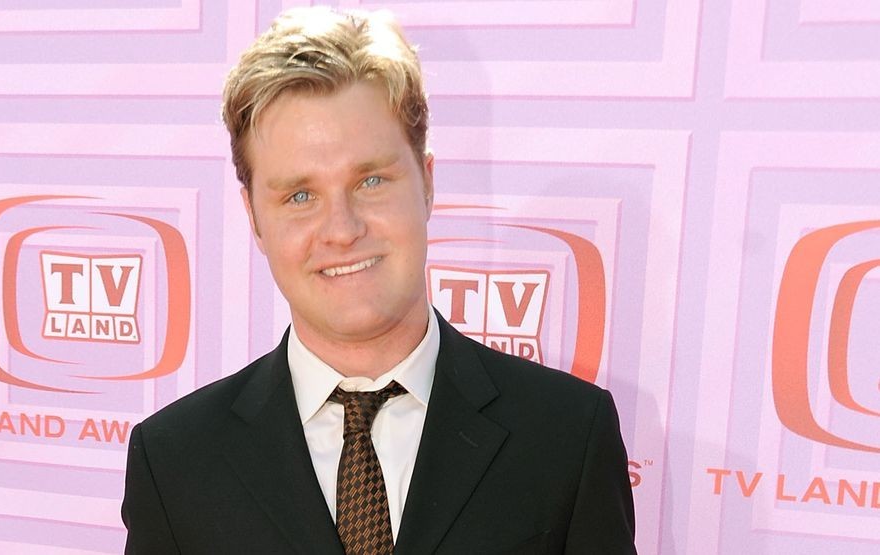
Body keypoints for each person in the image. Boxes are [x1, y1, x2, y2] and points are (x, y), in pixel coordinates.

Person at [121, 6, 636, 554]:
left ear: (427, 183)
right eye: (300, 195)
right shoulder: (174, 461)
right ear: (253, 217)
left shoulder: (568, 437)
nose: (341, 230)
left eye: (370, 180)